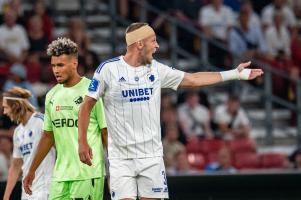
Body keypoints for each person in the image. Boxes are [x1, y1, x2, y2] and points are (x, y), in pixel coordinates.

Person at [78, 22, 263, 200]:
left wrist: (235, 74)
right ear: (139, 44)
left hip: (152, 158)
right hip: (120, 158)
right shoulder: (107, 70)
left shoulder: (156, 70)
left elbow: (193, 79)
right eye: (153, 41)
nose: (157, 46)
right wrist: (82, 142)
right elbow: (86, 106)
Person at [23, 38, 107, 200]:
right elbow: (48, 136)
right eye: (53, 65)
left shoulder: (92, 91)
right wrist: (32, 170)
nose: (55, 70)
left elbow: (105, 133)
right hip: (60, 176)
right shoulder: (51, 95)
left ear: (74, 64)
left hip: (87, 174)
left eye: (60, 65)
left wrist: (116, 170)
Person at [2, 86, 55, 200]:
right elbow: (15, 166)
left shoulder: (41, 121)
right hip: (26, 192)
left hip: (45, 188)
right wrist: (6, 197)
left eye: (6, 108)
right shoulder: (17, 131)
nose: (4, 112)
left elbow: (60, 149)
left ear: (15, 106)